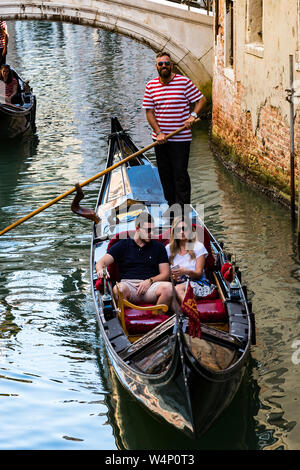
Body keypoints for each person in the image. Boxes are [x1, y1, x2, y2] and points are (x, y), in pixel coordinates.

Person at [142, 51, 207, 208]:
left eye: (167, 63)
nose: (164, 66)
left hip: (181, 137)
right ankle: (172, 206)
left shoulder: (183, 82)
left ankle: (183, 210)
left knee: (180, 174)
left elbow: (201, 100)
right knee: (165, 175)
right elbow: (149, 112)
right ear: (156, 67)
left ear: (172, 65)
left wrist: (192, 116)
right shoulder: (151, 86)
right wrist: (159, 133)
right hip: (160, 139)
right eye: (161, 64)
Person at [95, 212, 173, 309]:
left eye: (153, 230)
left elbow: (165, 274)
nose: (151, 234)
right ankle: (127, 318)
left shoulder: (159, 247)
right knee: (118, 289)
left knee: (169, 288)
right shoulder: (123, 245)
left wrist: (150, 281)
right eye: (148, 230)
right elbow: (101, 263)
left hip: (151, 287)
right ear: (137, 229)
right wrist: (100, 270)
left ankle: (157, 317)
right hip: (128, 285)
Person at [166, 216, 215, 303]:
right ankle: (183, 315)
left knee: (177, 289)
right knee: (171, 294)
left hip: (198, 284)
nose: (181, 232)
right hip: (177, 284)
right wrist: (173, 277)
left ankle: (189, 312)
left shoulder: (198, 247)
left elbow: (199, 274)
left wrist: (185, 271)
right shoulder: (168, 249)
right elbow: (166, 272)